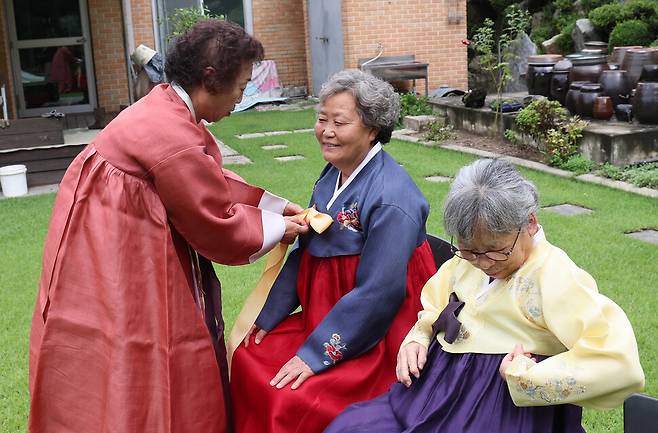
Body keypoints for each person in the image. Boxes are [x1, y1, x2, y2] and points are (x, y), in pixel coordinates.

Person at [28, 20, 308, 433]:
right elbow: (215, 224)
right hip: (123, 250)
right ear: (211, 78)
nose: (242, 97)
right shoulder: (171, 132)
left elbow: (206, 181)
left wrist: (273, 208)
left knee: (108, 347)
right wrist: (278, 228)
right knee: (141, 344)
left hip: (106, 242)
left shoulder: (167, 106)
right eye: (242, 85)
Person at [325, 158, 645, 433]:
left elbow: (617, 363)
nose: (483, 263)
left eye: (496, 251)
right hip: (435, 391)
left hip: (501, 408)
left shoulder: (554, 275)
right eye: (470, 252)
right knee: (351, 425)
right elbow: (437, 302)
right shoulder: (471, 260)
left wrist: (528, 377)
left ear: (530, 223)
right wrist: (418, 337)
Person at [230, 69, 438, 433]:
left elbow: (380, 293)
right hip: (322, 312)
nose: (326, 130)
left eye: (339, 122)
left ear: (373, 128)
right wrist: (270, 315)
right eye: (321, 118)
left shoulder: (392, 197)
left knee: (288, 396)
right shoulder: (332, 175)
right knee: (249, 355)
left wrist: (314, 356)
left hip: (376, 333)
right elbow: (307, 254)